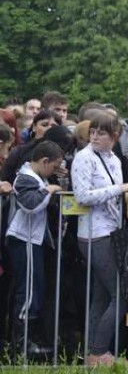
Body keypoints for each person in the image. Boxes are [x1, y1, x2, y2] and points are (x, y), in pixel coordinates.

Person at [71, 112, 128, 367]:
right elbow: (82, 196)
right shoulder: (84, 157)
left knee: (102, 296)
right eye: (93, 131)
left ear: (114, 136)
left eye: (102, 132)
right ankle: (99, 352)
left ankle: (92, 353)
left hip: (111, 231)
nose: (96, 136)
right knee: (120, 295)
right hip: (93, 234)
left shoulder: (114, 159)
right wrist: (119, 189)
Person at [7, 140, 63, 358]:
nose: (55, 172)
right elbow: (30, 205)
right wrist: (48, 190)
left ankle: (30, 339)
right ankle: (21, 344)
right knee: (28, 290)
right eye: (54, 166)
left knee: (36, 288)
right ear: (44, 161)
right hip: (24, 239)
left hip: (33, 240)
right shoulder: (25, 178)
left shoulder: (38, 177)